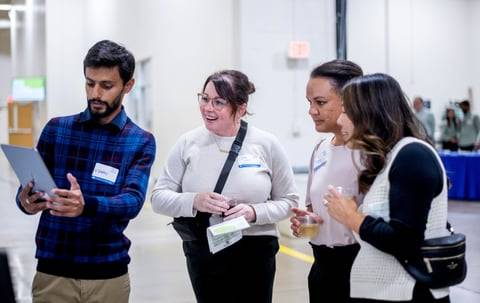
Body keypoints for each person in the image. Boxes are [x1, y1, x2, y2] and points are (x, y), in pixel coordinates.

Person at [15, 40, 156, 303]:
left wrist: (86, 205)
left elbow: (133, 201)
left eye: (107, 86)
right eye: (90, 83)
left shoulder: (140, 140)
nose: (95, 93)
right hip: (53, 272)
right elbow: (29, 189)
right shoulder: (56, 130)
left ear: (128, 86)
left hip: (108, 275)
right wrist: (25, 201)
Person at [151, 70, 298, 303]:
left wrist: (254, 212)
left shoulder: (266, 144)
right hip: (204, 248)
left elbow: (290, 202)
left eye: (219, 102)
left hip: (255, 250)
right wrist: (194, 201)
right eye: (204, 98)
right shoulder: (188, 143)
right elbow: (158, 198)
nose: (208, 108)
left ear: (241, 107)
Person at [325, 73, 450, 302]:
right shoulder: (390, 158)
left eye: (345, 111)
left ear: (369, 112)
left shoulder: (412, 156)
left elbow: (406, 242)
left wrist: (353, 217)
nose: (340, 120)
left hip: (410, 293)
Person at [289, 60, 363, 303]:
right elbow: (314, 207)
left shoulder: (369, 153)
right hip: (321, 266)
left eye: (320, 102)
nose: (312, 111)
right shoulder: (321, 149)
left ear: (349, 100)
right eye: (309, 103)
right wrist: (307, 219)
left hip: (358, 269)